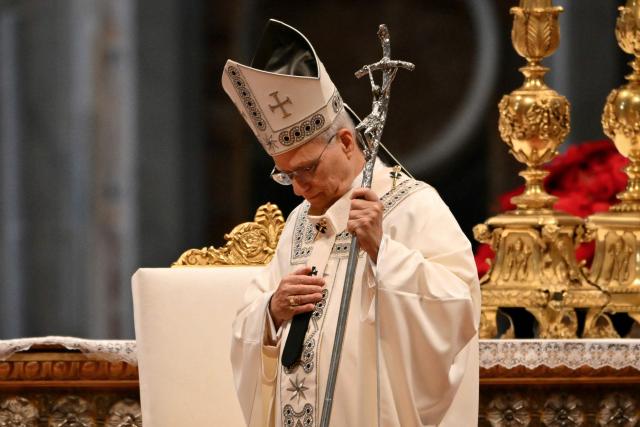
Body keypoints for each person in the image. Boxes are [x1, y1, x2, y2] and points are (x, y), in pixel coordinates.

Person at [222, 19, 480, 427]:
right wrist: (273, 310)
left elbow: (457, 310)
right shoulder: (298, 224)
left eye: (306, 169)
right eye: (286, 175)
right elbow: (249, 322)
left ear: (345, 142)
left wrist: (383, 250)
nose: (298, 188)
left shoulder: (412, 206)